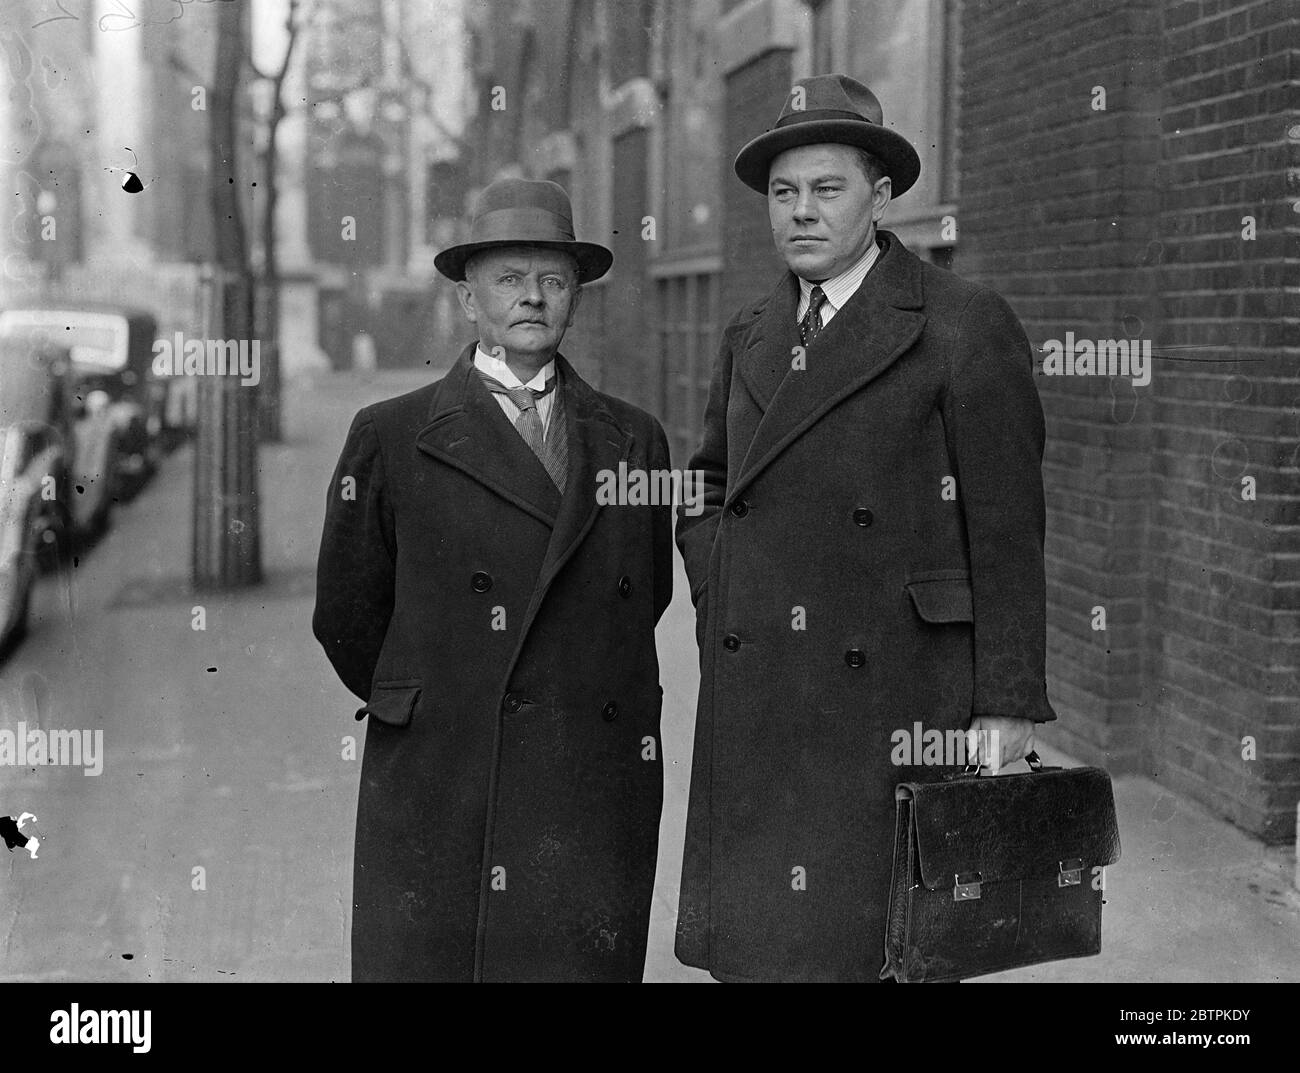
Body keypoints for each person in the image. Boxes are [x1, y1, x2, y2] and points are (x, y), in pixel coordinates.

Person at [674, 74, 1058, 982]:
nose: (801, 212)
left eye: (826, 189)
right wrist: (722, 583)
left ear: (882, 197)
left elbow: (1007, 530)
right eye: (782, 192)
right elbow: (707, 483)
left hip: (901, 690)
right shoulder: (752, 331)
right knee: (769, 945)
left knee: (883, 944)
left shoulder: (962, 325)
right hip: (762, 682)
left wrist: (1004, 701)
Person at [313, 178, 673, 982]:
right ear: (469, 297)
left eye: (552, 280)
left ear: (575, 297)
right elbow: (344, 613)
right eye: (509, 279)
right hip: (448, 778)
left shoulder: (634, 439)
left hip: (587, 774)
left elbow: (643, 595)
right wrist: (440, 700)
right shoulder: (392, 435)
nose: (532, 298)